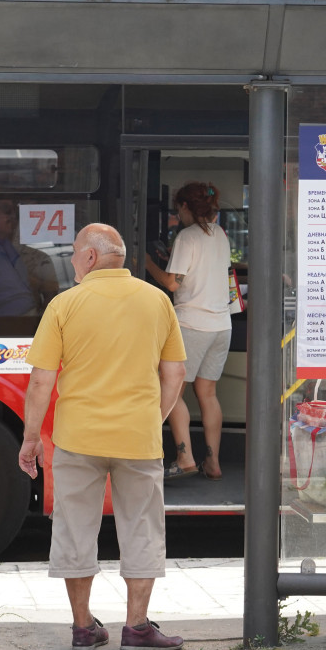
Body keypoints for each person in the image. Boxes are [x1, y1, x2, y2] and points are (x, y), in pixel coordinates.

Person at [19, 223, 188, 650]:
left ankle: (82, 628)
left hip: (78, 439)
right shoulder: (157, 301)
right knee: (143, 530)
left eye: (75, 253)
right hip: (138, 438)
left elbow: (41, 382)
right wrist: (155, 418)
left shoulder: (64, 305)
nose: (72, 260)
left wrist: (31, 437)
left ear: (90, 258)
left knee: (75, 529)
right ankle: (136, 628)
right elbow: (175, 373)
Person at [143, 182, 233, 481]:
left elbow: (171, 283)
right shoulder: (220, 234)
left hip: (192, 324)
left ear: (184, 207)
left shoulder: (187, 236)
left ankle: (185, 458)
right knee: (208, 394)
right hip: (222, 326)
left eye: (177, 209)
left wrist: (146, 264)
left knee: (172, 390)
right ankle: (214, 463)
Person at [0, 200, 59, 317]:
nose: (12, 218)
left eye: (15, 215)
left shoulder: (40, 259)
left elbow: (52, 299)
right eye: (7, 212)